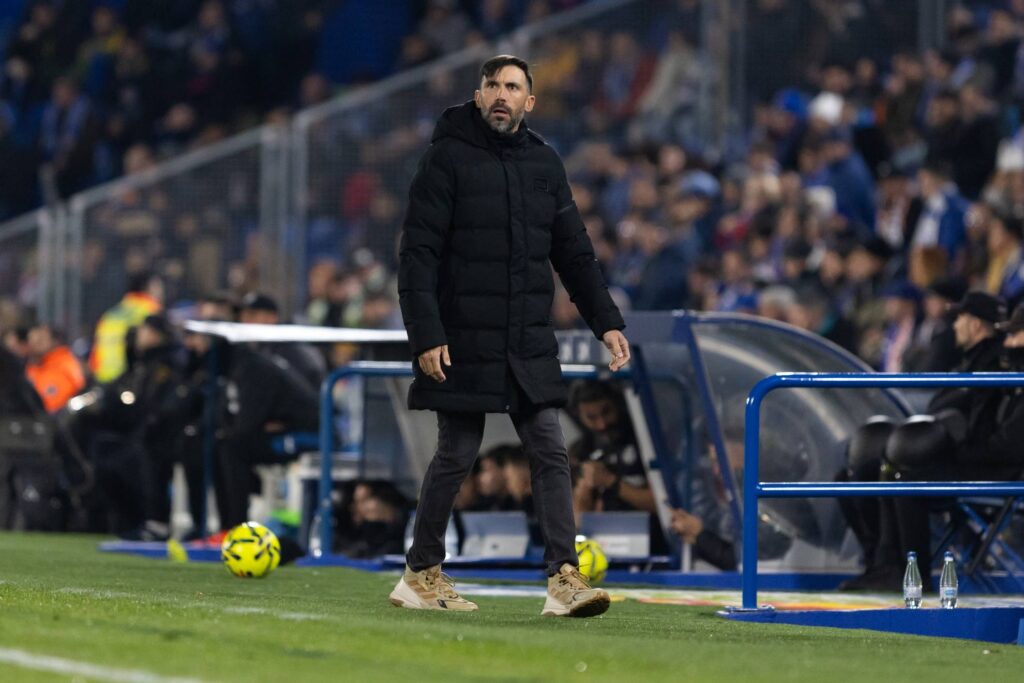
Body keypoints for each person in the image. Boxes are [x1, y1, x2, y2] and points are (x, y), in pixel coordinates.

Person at [392, 55, 630, 617]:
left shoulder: (545, 164)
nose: (502, 94)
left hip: (524, 337)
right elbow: (417, 255)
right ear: (478, 97)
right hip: (462, 336)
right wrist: (426, 334)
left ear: (530, 102)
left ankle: (563, 579)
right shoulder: (446, 158)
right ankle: (421, 572)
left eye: (513, 87)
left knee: (549, 448)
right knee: (457, 452)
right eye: (493, 85)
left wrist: (608, 322)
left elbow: (574, 254)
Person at [839, 290, 1007, 590]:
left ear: (977, 324)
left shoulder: (997, 367)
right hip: (963, 456)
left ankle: (911, 574)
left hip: (983, 466)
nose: (954, 326)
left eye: (960, 319)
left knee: (903, 477)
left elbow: (980, 430)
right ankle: (882, 564)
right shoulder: (973, 362)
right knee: (853, 475)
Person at [237, 291, 326, 392]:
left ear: (271, 318)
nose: (245, 320)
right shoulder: (264, 348)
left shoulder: (290, 346)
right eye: (243, 315)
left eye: (252, 315)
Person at [89, 272, 164, 383]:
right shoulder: (152, 310)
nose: (162, 292)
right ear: (149, 288)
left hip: (103, 379)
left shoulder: (110, 315)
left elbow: (95, 353)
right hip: (133, 380)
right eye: (159, 287)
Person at [25, 324, 86, 413]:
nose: (35, 344)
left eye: (40, 340)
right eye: (32, 340)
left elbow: (53, 404)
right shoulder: (31, 367)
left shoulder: (63, 364)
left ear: (54, 341)